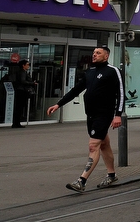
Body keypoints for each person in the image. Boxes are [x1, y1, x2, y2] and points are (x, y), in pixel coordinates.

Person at [47, 47, 123, 192]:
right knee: (104, 144)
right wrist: (58, 104)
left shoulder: (113, 71)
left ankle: (82, 180)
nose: (94, 55)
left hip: (104, 114)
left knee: (93, 146)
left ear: (106, 56)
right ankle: (112, 175)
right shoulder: (90, 72)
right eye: (93, 53)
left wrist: (118, 114)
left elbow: (121, 93)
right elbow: (76, 90)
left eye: (98, 53)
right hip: (91, 114)